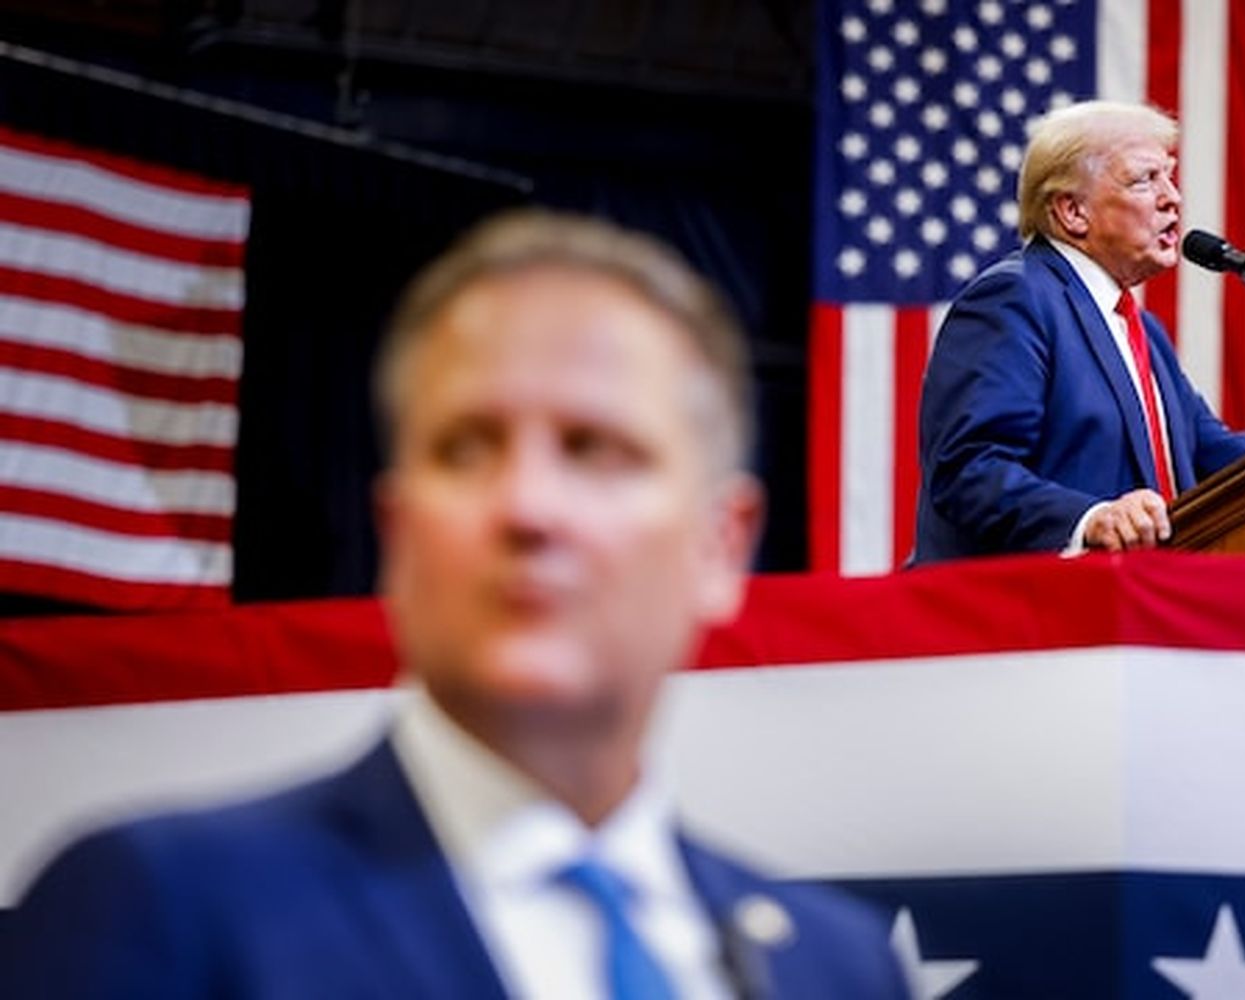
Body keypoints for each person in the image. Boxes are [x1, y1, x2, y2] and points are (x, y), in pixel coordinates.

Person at [6, 211, 913, 998]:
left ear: (722, 546)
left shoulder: (841, 970)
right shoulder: (161, 910)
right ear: (397, 532)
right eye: (467, 448)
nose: (527, 506)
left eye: (595, 448)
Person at [911, 100, 1245, 561]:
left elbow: (1217, 456)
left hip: (1135, 612)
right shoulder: (1014, 299)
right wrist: (1090, 519)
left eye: (1169, 176)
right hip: (1029, 617)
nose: (1172, 197)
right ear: (1073, 212)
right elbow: (969, 470)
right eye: (1144, 180)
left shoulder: (1142, 331)